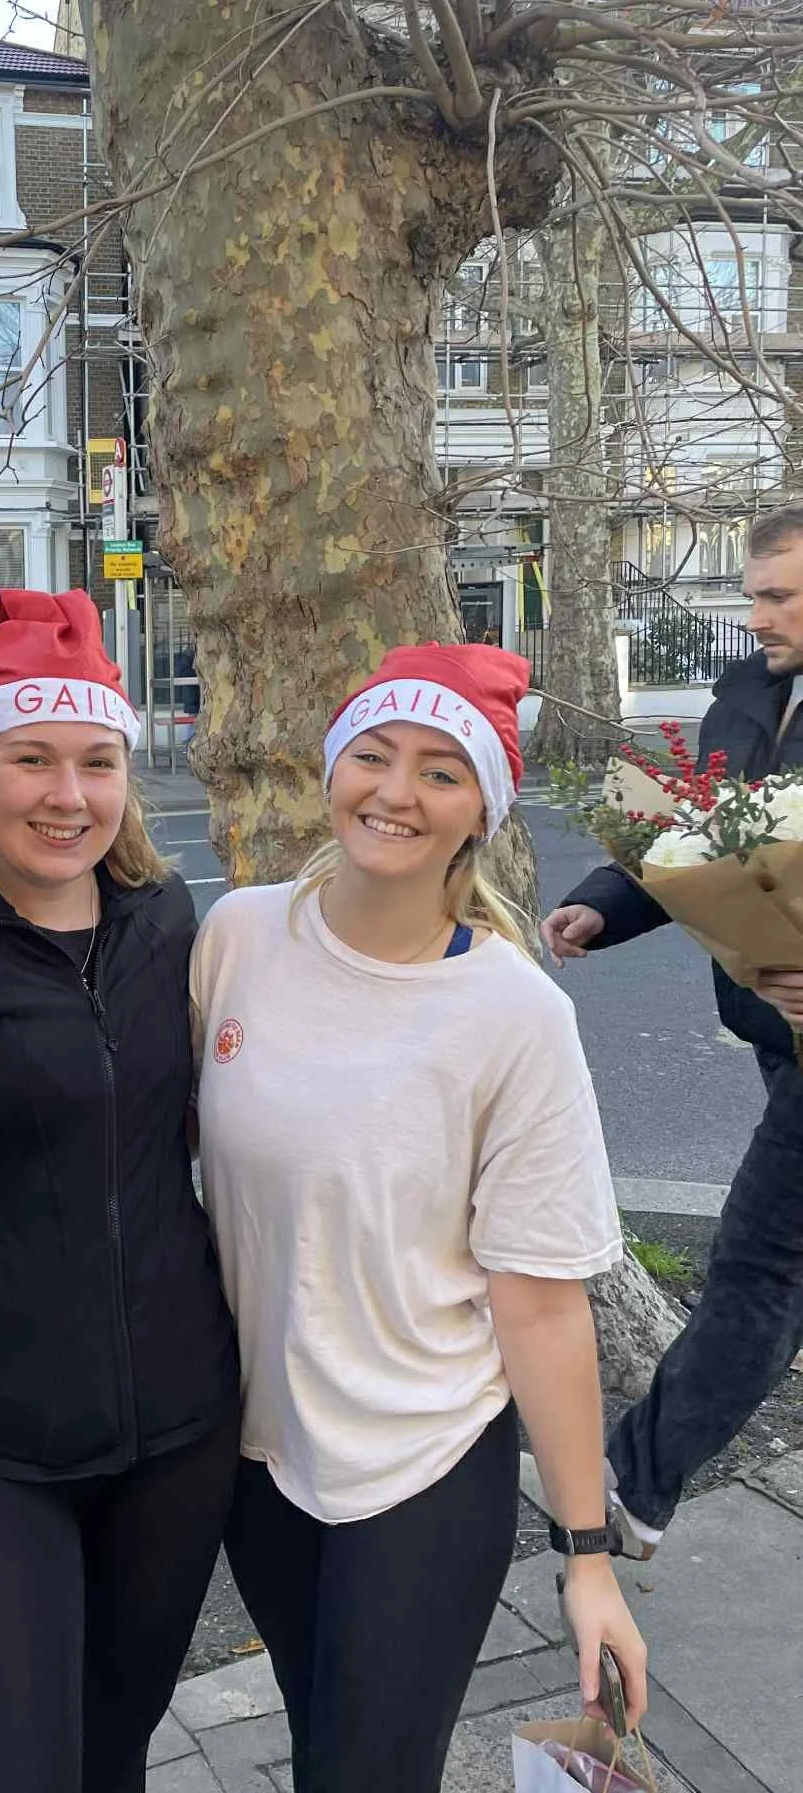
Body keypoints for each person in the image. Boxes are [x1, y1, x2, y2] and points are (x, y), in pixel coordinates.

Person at [193, 643, 648, 1793]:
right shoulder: (238, 936)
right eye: (376, 754)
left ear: (478, 813)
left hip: (425, 1465)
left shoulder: (513, 1014)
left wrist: (587, 1557)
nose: (397, 791)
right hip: (260, 1459)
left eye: (441, 771)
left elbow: (541, 1305)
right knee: (324, 1750)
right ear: (333, 768)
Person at [0, 589, 240, 1793]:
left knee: (110, 1755)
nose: (67, 794)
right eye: (31, 758)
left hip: (181, 1435)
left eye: (96, 761)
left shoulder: (169, 919)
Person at [543, 505, 803, 1558]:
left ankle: (632, 1489)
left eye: (779, 596)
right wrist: (602, 905)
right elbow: (693, 837)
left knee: (759, 1264)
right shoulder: (745, 692)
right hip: (777, 1035)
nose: (757, 617)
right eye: (753, 595)